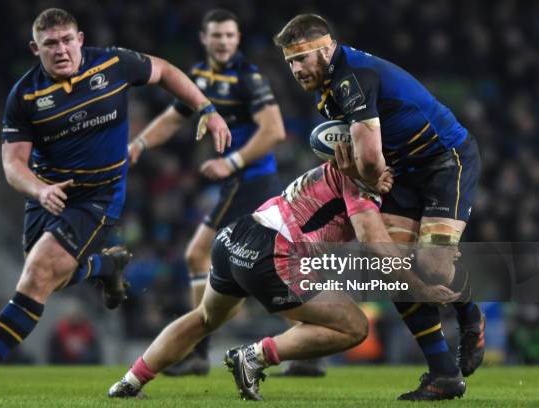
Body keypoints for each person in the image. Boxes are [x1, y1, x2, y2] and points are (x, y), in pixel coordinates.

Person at [0, 7, 230, 388]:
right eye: (51, 44)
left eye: (67, 40)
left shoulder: (112, 63)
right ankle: (104, 268)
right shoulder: (25, 96)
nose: (61, 50)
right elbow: (13, 164)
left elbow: (164, 70)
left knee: (37, 274)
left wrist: (207, 110)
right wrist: (39, 189)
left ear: (80, 39)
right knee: (49, 280)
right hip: (49, 194)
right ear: (35, 48)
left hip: (99, 195)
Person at [107, 159, 458, 401]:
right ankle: (254, 356)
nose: (389, 176)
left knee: (205, 318)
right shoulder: (360, 184)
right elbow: (374, 243)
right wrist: (421, 285)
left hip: (236, 235)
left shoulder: (336, 167)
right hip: (273, 252)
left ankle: (130, 381)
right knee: (353, 326)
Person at [273, 14, 484, 400]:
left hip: (444, 160)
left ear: (325, 49)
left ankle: (471, 317)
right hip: (402, 169)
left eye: (301, 58)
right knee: (392, 266)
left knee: (433, 265)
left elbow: (369, 157)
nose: (295, 68)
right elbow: (362, 154)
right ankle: (443, 374)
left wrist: (369, 176)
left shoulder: (350, 78)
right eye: (289, 61)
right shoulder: (330, 83)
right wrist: (365, 169)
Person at [128, 9, 286, 375]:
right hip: (239, 182)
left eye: (230, 36)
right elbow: (171, 119)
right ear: (204, 38)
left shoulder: (248, 77)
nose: (224, 42)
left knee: (198, 255)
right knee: (263, 267)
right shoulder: (200, 77)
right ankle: (309, 344)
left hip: (252, 180)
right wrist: (139, 142)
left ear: (238, 39)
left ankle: (198, 352)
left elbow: (275, 130)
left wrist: (231, 163)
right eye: (217, 36)